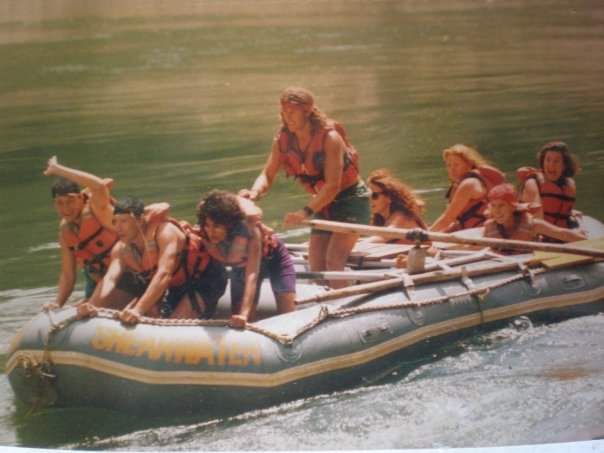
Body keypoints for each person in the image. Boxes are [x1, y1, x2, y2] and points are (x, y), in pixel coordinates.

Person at [238, 87, 370, 288]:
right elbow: (267, 174)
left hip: (351, 201)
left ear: (307, 112)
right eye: (284, 112)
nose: (286, 117)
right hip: (324, 204)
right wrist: (254, 192)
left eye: (292, 112)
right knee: (315, 263)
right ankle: (323, 300)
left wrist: (304, 212)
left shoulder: (330, 138)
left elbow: (333, 185)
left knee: (333, 261)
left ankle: (341, 300)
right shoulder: (282, 139)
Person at [87, 197, 227, 324]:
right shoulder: (121, 249)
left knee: (174, 324)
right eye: (115, 222)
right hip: (176, 284)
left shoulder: (165, 232)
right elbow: (110, 278)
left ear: (140, 220)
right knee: (150, 312)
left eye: (124, 221)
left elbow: (164, 274)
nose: (118, 228)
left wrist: (138, 310)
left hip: (206, 278)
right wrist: (92, 305)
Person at [197, 190, 296, 329]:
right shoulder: (202, 233)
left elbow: (252, 275)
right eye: (207, 225)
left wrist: (244, 314)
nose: (210, 232)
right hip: (241, 268)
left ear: (228, 225)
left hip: (274, 261)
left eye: (217, 226)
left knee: (287, 315)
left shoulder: (250, 232)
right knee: (237, 318)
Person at [44, 156, 119, 310]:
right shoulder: (65, 232)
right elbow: (68, 275)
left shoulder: (98, 210)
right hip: (96, 281)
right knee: (78, 308)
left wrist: (58, 169)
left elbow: (98, 186)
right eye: (60, 203)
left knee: (87, 308)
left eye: (70, 201)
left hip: (124, 275)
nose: (65, 208)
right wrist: (57, 303)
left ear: (80, 198)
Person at [483, 183, 586, 251]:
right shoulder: (489, 228)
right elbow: (478, 248)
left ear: (513, 207)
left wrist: (585, 241)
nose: (496, 211)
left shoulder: (533, 225)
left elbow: (562, 234)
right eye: (493, 206)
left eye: (501, 205)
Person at [430, 144, 505, 232]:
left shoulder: (468, 184)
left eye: (456, 165)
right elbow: (455, 220)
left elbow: (448, 218)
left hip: (481, 233)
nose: (452, 169)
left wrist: (426, 234)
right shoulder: (461, 184)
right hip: (473, 231)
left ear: (469, 165)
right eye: (449, 165)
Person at [517, 141, 580, 228]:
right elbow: (538, 222)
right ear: (543, 163)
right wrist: (568, 235)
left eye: (556, 161)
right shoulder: (533, 183)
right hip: (534, 231)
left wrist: (570, 213)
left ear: (564, 165)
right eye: (548, 160)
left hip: (557, 231)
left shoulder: (568, 185)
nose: (551, 164)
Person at [364, 168, 427, 243]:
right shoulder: (380, 219)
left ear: (389, 197)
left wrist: (359, 244)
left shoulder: (401, 216)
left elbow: (384, 236)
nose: (369, 200)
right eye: (368, 195)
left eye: (374, 195)